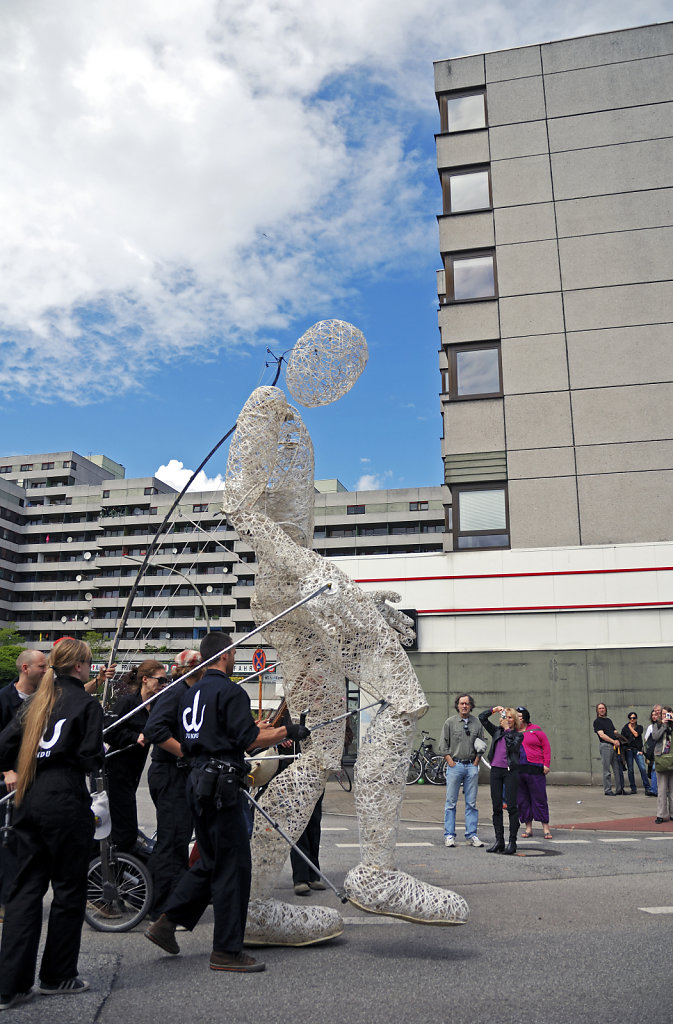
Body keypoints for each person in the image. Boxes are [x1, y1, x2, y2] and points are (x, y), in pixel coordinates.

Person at [144, 631, 309, 973]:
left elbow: (220, 734)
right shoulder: (231, 691)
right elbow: (250, 742)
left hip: (197, 781)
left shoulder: (190, 693)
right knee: (234, 867)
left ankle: (166, 922)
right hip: (221, 787)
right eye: (234, 653)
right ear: (227, 655)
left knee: (209, 860)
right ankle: (226, 951)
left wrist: (252, 731)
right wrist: (286, 732)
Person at [0, 638, 104, 1010]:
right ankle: (57, 975)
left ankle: (10, 986)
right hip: (65, 804)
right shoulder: (86, 704)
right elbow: (92, 758)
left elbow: (4, 744)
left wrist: (13, 767)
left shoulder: (35, 705)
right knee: (67, 892)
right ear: (79, 667)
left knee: (24, 893)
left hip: (28, 801)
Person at [143, 651, 204, 920]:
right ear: (196, 668)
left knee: (179, 837)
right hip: (169, 772)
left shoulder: (191, 691)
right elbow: (155, 730)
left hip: (179, 773)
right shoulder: (176, 693)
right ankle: (161, 908)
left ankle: (174, 900)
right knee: (172, 840)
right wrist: (186, 754)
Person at [0, 651, 48, 915]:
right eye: (42, 666)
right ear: (26, 668)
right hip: (8, 783)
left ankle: (24, 895)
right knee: (7, 841)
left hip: (35, 782)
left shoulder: (45, 699)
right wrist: (5, 771)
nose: (46, 670)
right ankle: (6, 900)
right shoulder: (3, 699)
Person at [105, 660, 168, 853]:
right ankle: (117, 868)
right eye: (161, 680)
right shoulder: (128, 703)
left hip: (134, 772)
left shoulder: (158, 705)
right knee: (125, 829)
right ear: (145, 679)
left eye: (166, 680)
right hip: (116, 771)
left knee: (126, 824)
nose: (164, 684)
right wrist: (134, 737)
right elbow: (107, 731)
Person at [437, 694, 486, 848]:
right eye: (461, 703)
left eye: (467, 703)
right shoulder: (450, 723)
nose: (464, 706)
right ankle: (449, 835)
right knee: (451, 803)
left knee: (471, 803)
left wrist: (477, 761)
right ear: (457, 705)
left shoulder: (477, 723)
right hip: (455, 766)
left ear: (471, 706)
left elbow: (482, 743)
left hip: (471, 766)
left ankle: (471, 835)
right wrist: (449, 761)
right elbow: (443, 743)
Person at [478, 706, 523, 855]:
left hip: (510, 772)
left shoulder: (517, 735)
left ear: (514, 720)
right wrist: (494, 709)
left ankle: (512, 842)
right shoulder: (497, 731)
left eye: (511, 717)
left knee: (511, 807)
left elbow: (512, 745)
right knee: (496, 807)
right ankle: (499, 841)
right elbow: (482, 718)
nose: (508, 720)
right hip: (496, 770)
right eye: (506, 716)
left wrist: (508, 730)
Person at [516, 707, 552, 839]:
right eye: (516, 716)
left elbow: (546, 746)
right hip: (519, 770)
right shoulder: (512, 732)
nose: (517, 718)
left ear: (525, 717)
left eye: (519, 715)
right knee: (523, 800)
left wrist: (546, 764)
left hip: (535, 769)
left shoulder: (535, 729)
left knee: (540, 798)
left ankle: (546, 829)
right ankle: (528, 828)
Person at [291, 792, 326, 894]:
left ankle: (313, 875)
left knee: (314, 828)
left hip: (315, 785)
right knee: (299, 828)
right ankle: (300, 878)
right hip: (296, 786)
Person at [593, 703, 628, 796]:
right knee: (606, 769)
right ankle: (607, 790)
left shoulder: (609, 720)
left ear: (605, 709)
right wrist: (613, 741)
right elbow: (602, 735)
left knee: (617, 769)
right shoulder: (597, 722)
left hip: (615, 746)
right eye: (600, 708)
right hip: (605, 746)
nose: (601, 710)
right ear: (597, 710)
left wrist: (619, 739)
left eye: (603, 708)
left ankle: (619, 789)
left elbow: (614, 732)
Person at [621, 712, 652, 796]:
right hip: (629, 750)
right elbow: (622, 738)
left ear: (636, 719)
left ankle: (647, 788)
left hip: (638, 750)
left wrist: (630, 727)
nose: (632, 719)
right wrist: (625, 747)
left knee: (642, 768)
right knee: (630, 770)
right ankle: (633, 788)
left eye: (634, 718)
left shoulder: (639, 727)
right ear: (629, 719)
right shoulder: (624, 728)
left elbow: (636, 734)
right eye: (630, 718)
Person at [651, 705, 673, 824]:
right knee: (662, 789)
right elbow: (655, 737)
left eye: (668, 714)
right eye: (664, 714)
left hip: (672, 759)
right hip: (661, 759)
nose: (666, 716)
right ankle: (661, 814)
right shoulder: (657, 725)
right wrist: (664, 725)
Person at [644, 705, 662, 797]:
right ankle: (654, 789)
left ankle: (655, 789)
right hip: (656, 751)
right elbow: (646, 739)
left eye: (658, 711)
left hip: (664, 751)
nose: (656, 714)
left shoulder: (664, 724)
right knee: (654, 769)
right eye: (654, 713)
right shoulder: (652, 726)